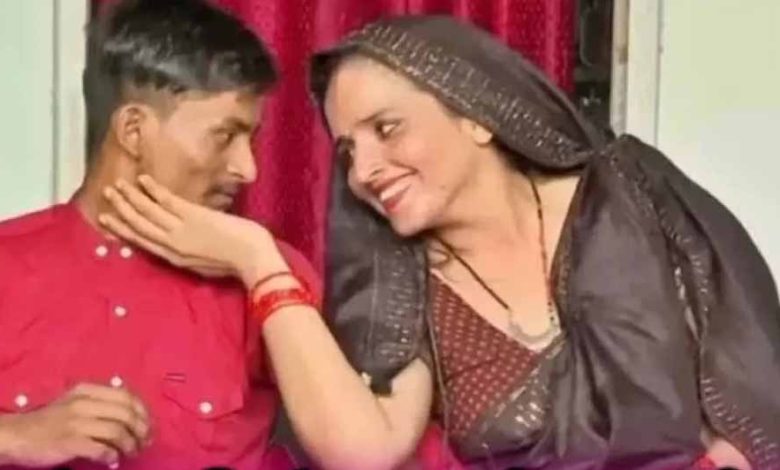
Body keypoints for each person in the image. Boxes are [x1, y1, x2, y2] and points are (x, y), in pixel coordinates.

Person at [98, 15, 780, 470]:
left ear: (477, 116)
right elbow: (361, 450)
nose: (364, 169)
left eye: (386, 129)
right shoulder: (406, 284)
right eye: (348, 151)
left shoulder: (631, 193)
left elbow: (750, 372)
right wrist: (259, 260)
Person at [0, 0, 317, 468]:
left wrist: (258, 262)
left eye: (250, 140)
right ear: (133, 130)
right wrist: (15, 435)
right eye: (224, 136)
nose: (247, 169)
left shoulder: (269, 274)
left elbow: (357, 450)